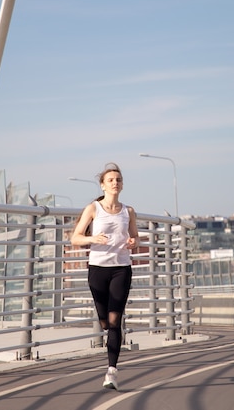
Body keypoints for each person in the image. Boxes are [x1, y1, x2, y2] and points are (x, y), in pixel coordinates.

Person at [71, 162, 139, 390]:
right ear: (102, 185)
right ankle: (107, 337)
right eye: (110, 180)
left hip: (121, 268)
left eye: (118, 180)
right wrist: (93, 239)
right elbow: (75, 238)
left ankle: (112, 371)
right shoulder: (93, 208)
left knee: (114, 321)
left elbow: (136, 238)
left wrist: (133, 242)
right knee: (103, 320)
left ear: (122, 185)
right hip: (98, 269)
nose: (115, 183)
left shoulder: (128, 211)